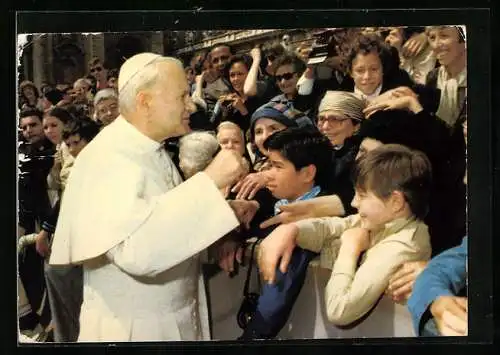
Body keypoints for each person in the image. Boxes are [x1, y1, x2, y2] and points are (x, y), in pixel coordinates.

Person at [48, 53, 248, 342]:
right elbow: (138, 252)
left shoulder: (148, 147)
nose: (190, 104)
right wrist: (210, 182)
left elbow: (162, 225)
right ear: (145, 101)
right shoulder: (108, 157)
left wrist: (217, 237)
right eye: (182, 96)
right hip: (136, 329)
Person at [257, 144, 432, 336]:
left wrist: (349, 249)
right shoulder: (382, 221)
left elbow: (339, 311)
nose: (353, 202)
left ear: (396, 202)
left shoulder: (404, 246)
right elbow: (332, 227)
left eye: (362, 195)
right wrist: (291, 230)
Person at [239, 127, 335, 340]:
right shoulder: (270, 205)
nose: (267, 174)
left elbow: (275, 301)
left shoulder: (309, 226)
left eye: (277, 166)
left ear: (308, 173)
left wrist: (248, 340)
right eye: (267, 164)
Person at [42, 118, 101, 342]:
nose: (73, 149)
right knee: (54, 271)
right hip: (76, 237)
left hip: (94, 246)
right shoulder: (76, 165)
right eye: (70, 144)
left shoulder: (100, 165)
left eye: (77, 143)